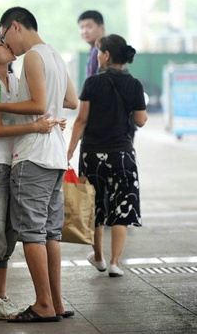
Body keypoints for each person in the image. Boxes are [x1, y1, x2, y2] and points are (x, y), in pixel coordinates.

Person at [0, 7, 78, 322]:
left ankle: (44, 305)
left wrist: (1, 106)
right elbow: (70, 100)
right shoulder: (56, 56)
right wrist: (45, 109)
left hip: (33, 156)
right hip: (56, 156)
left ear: (16, 26)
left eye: (5, 36)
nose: (8, 44)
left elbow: (37, 104)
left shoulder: (33, 56)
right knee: (51, 232)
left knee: (32, 232)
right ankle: (56, 303)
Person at [67, 34, 148, 278]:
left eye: (99, 51)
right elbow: (140, 121)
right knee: (121, 209)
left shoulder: (92, 83)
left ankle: (99, 258)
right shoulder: (134, 84)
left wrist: (70, 149)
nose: (98, 55)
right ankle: (115, 262)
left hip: (92, 155)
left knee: (95, 208)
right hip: (122, 155)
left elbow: (81, 120)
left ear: (106, 55)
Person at [78, 10, 105, 78]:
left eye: (89, 27)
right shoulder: (94, 50)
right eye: (82, 27)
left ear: (101, 28)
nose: (84, 31)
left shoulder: (101, 51)